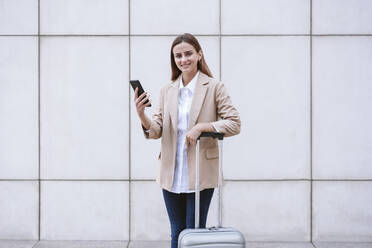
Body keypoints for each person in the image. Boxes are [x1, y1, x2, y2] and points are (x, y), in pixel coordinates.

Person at [133, 33, 241, 248]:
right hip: (171, 174)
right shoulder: (167, 90)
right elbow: (156, 130)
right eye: (178, 56)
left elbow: (234, 123)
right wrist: (141, 114)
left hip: (200, 173)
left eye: (188, 54)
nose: (184, 60)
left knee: (193, 234)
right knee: (177, 233)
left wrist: (201, 127)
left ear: (199, 54)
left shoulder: (214, 87)